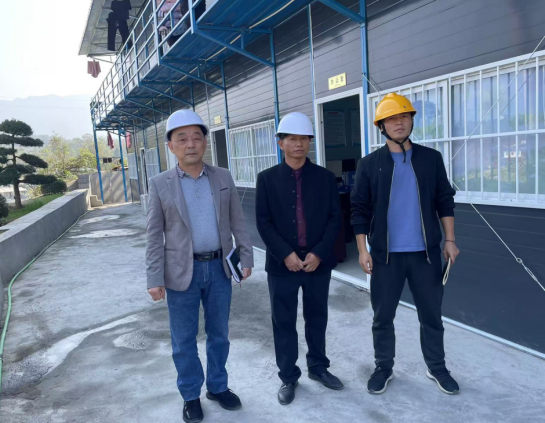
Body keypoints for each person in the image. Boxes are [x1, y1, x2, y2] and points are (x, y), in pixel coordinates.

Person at [146, 109, 254, 423]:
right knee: (183, 340)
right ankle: (190, 395)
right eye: (182, 139)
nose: (190, 144)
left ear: (205, 142)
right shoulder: (160, 184)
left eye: (196, 137)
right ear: (171, 146)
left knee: (220, 334)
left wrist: (245, 257)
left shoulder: (222, 176)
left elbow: (237, 221)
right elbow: (153, 235)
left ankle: (218, 387)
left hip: (219, 269)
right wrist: (154, 278)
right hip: (181, 273)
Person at [350, 93, 460, 395]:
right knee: (382, 317)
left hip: (426, 255)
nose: (399, 122)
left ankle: (437, 367)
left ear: (411, 121)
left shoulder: (430, 159)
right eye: (391, 119)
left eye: (404, 116)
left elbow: (444, 201)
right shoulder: (369, 164)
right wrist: (362, 250)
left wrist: (450, 240)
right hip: (386, 257)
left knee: (432, 315)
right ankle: (383, 367)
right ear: (381, 126)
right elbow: (359, 209)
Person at [255, 112, 343, 405]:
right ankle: (288, 377)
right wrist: (285, 254)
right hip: (283, 266)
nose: (299, 144)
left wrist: (319, 252)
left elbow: (335, 218)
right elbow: (263, 222)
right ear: (280, 143)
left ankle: (318, 368)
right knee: (283, 321)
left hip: (318, 263)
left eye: (304, 139)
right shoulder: (267, 179)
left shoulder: (325, 178)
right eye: (292, 139)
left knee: (317, 318)